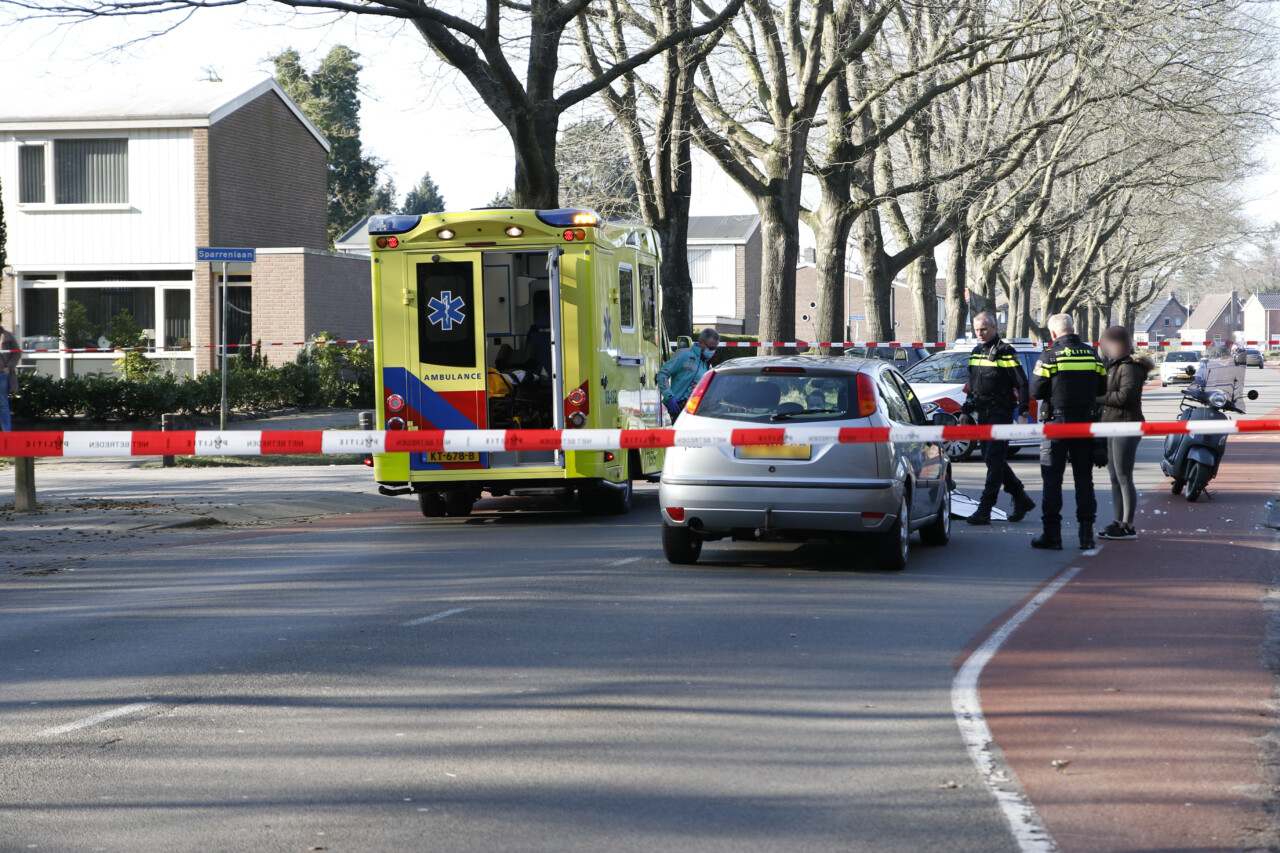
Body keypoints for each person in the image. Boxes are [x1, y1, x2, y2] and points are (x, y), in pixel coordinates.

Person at [1030, 313, 1107, 550]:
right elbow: (1102, 388)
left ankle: (1052, 535)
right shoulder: (1092, 354)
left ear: (1053, 333)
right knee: (1084, 480)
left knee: (1052, 480)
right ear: (1073, 329)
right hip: (1085, 423)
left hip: (1056, 425)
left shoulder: (1050, 356)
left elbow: (1036, 391)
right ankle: (1086, 535)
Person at [962, 312, 1036, 525]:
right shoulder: (976, 351)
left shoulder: (1005, 352)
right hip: (982, 412)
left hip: (1000, 412)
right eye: (977, 330)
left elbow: (1022, 383)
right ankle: (1021, 497)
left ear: (995, 328)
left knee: (993, 459)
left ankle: (985, 508)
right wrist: (966, 411)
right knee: (991, 458)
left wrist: (1023, 412)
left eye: (984, 329)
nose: (980, 333)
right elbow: (973, 385)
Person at [1096, 326, 1154, 541]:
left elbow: (1123, 398)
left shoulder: (1130, 367)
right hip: (1112, 424)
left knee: (1123, 476)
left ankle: (1128, 525)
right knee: (1115, 477)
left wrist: (1096, 397)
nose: (1104, 348)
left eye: (1107, 343)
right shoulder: (1114, 365)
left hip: (1126, 425)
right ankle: (1118, 521)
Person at [658, 328, 719, 419]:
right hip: (677, 409)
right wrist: (669, 397)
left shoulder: (707, 364)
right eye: (710, 348)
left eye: (715, 348)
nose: (712, 351)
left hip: (695, 411)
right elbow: (662, 374)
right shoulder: (684, 355)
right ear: (700, 342)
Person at [0, 322, 20, 432]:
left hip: (2, 374)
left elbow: (17, 353)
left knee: (2, 404)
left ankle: (6, 432)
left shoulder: (8, 336)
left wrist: (9, 367)